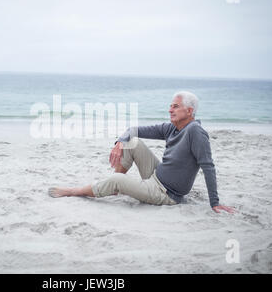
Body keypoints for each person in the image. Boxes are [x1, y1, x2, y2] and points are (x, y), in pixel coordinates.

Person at [49, 91, 235, 214]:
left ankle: (73, 191)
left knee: (117, 180)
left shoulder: (195, 131)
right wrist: (120, 142)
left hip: (167, 193)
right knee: (132, 142)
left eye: (175, 106)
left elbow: (208, 166)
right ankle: (113, 189)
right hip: (156, 175)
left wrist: (215, 203)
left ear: (190, 111)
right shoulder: (171, 128)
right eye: (170, 106)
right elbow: (134, 130)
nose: (170, 109)